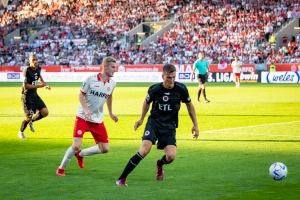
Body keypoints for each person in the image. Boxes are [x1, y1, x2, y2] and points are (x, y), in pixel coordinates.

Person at [116, 64, 199, 186]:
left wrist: (195, 124)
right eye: (168, 77)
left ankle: (159, 164)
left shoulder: (181, 89)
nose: (171, 80)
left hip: (169, 126)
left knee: (171, 156)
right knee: (144, 150)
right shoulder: (154, 89)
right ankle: (121, 179)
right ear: (163, 76)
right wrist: (141, 119)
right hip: (154, 123)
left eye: (173, 77)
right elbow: (146, 102)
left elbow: (189, 105)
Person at [56, 57, 118, 176]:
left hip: (97, 119)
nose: (115, 70)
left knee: (105, 149)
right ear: (105, 67)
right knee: (76, 145)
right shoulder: (91, 79)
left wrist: (110, 113)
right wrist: (86, 109)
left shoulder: (113, 83)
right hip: (83, 117)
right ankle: (61, 168)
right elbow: (80, 95)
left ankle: (80, 154)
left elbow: (109, 96)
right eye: (113, 67)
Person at [18, 54, 51, 139]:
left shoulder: (38, 68)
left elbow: (40, 77)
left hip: (35, 96)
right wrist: (39, 86)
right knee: (28, 117)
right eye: (33, 60)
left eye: (36, 59)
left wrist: (44, 85)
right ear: (29, 61)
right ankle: (21, 132)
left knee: (45, 112)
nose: (35, 61)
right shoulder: (27, 71)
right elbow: (25, 86)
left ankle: (31, 122)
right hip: (27, 97)